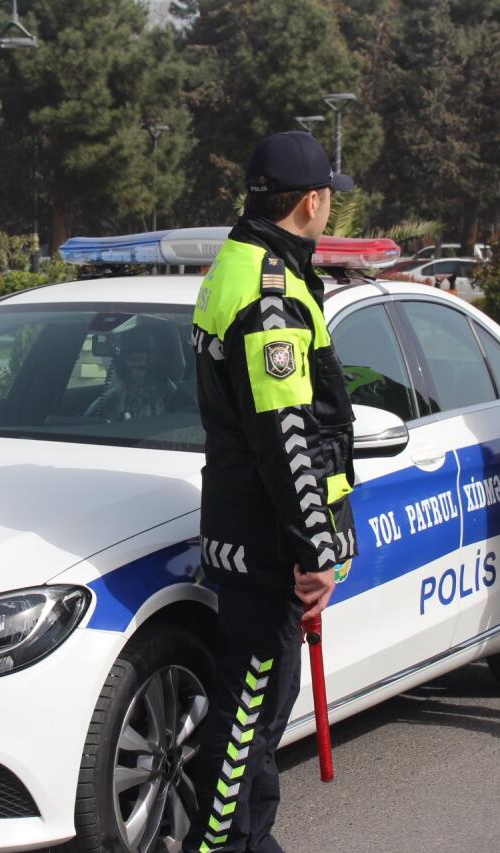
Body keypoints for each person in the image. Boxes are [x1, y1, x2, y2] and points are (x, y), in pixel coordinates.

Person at [185, 131, 359, 852]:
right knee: (249, 712)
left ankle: (254, 836)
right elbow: (286, 439)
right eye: (329, 198)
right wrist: (315, 548)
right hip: (268, 543)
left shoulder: (240, 264)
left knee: (261, 700)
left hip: (251, 527)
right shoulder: (271, 296)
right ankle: (221, 843)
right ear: (312, 201)